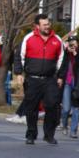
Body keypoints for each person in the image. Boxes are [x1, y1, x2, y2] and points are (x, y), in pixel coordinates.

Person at [14, 14, 65, 145]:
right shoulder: (29, 38)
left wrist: (60, 76)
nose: (48, 27)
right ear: (37, 26)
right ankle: (31, 134)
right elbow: (19, 56)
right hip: (32, 80)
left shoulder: (57, 40)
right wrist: (19, 73)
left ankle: (49, 135)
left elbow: (62, 60)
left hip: (50, 80)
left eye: (48, 24)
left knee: (53, 106)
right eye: (44, 25)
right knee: (31, 108)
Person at [60, 36, 79, 138]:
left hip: (77, 84)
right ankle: (64, 125)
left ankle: (73, 131)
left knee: (76, 109)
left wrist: (76, 55)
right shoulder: (66, 53)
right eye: (71, 43)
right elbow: (61, 66)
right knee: (66, 108)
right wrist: (67, 51)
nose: (73, 45)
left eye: (74, 43)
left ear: (78, 44)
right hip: (67, 83)